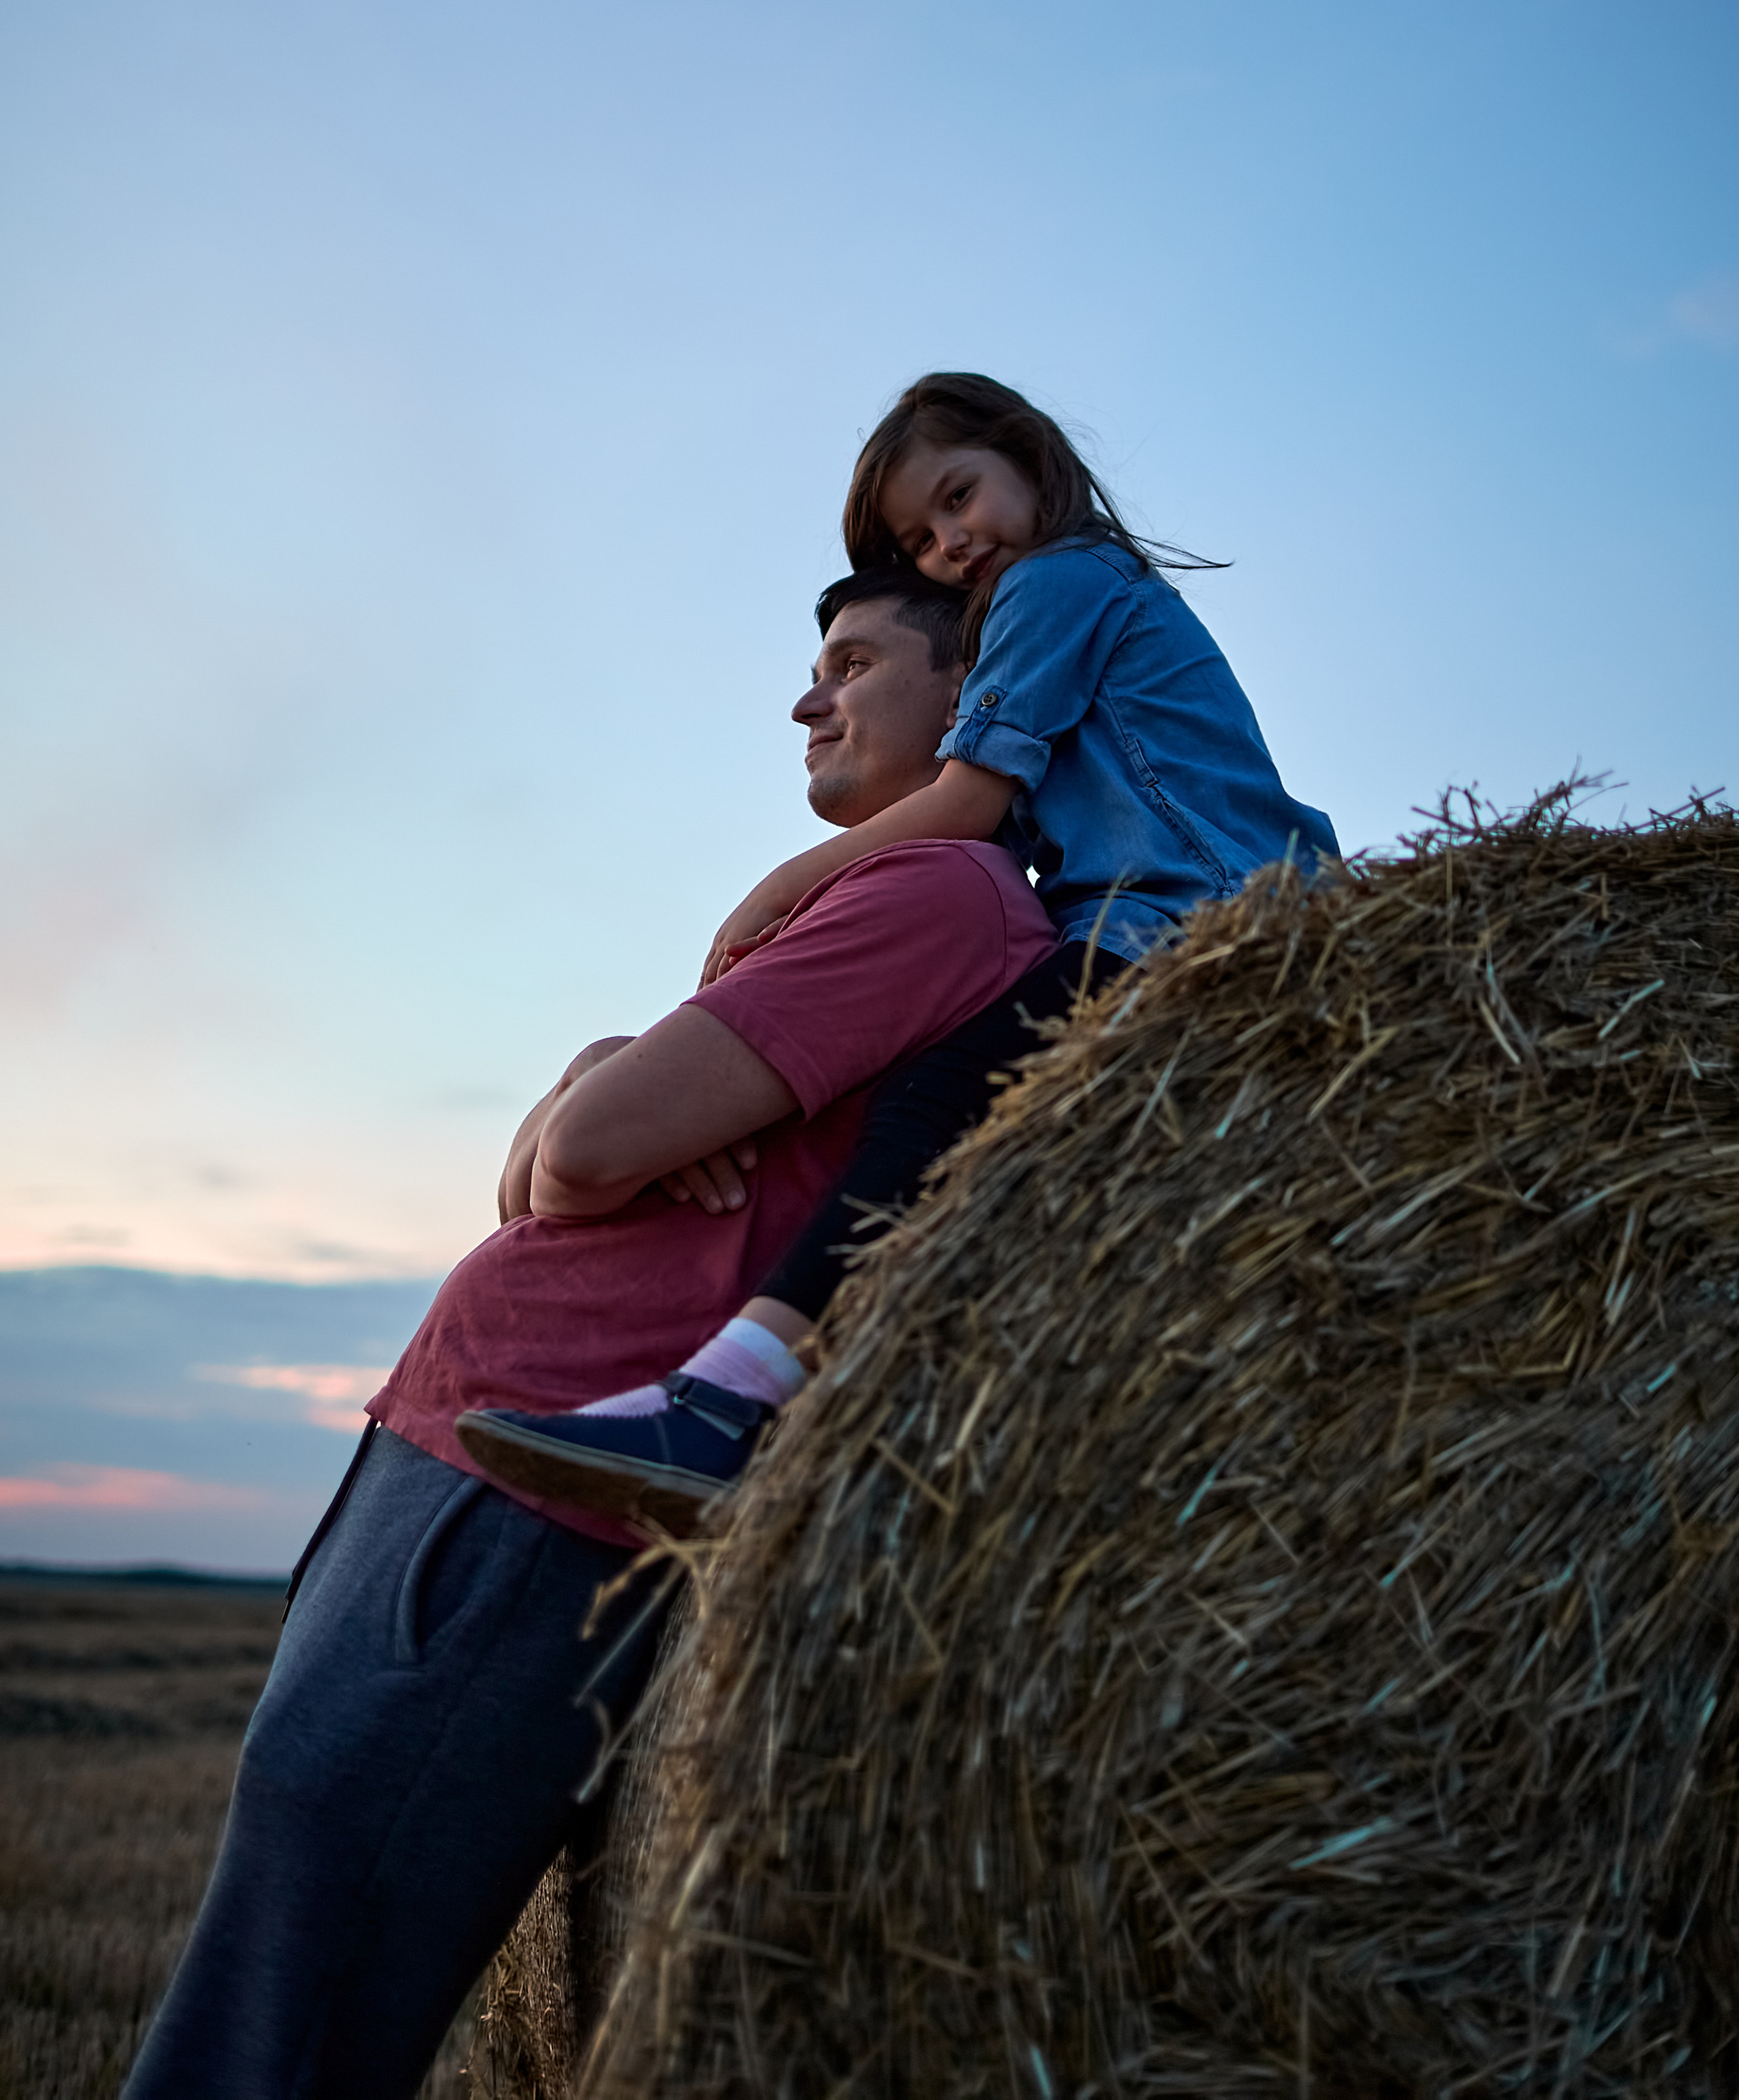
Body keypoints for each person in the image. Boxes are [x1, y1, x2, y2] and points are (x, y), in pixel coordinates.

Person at [122, 565, 1060, 2100]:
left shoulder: (939, 895)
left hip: (533, 1494)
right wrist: (596, 1063)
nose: (807, 697)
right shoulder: (879, 897)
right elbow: (541, 1170)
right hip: (471, 1454)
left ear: (978, 702)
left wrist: (597, 1100)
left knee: (295, 2001)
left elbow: (578, 1161)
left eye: (853, 662)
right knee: (286, 1923)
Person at [461, 373, 1338, 1527]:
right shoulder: (1063, 598)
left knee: (935, 1110)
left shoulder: (1058, 579)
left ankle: (730, 1402)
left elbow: (969, 801)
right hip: (1177, 917)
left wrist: (793, 875)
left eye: (960, 497)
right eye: (922, 539)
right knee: (949, 1110)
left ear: (1030, 454)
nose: (952, 541)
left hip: (1197, 917)